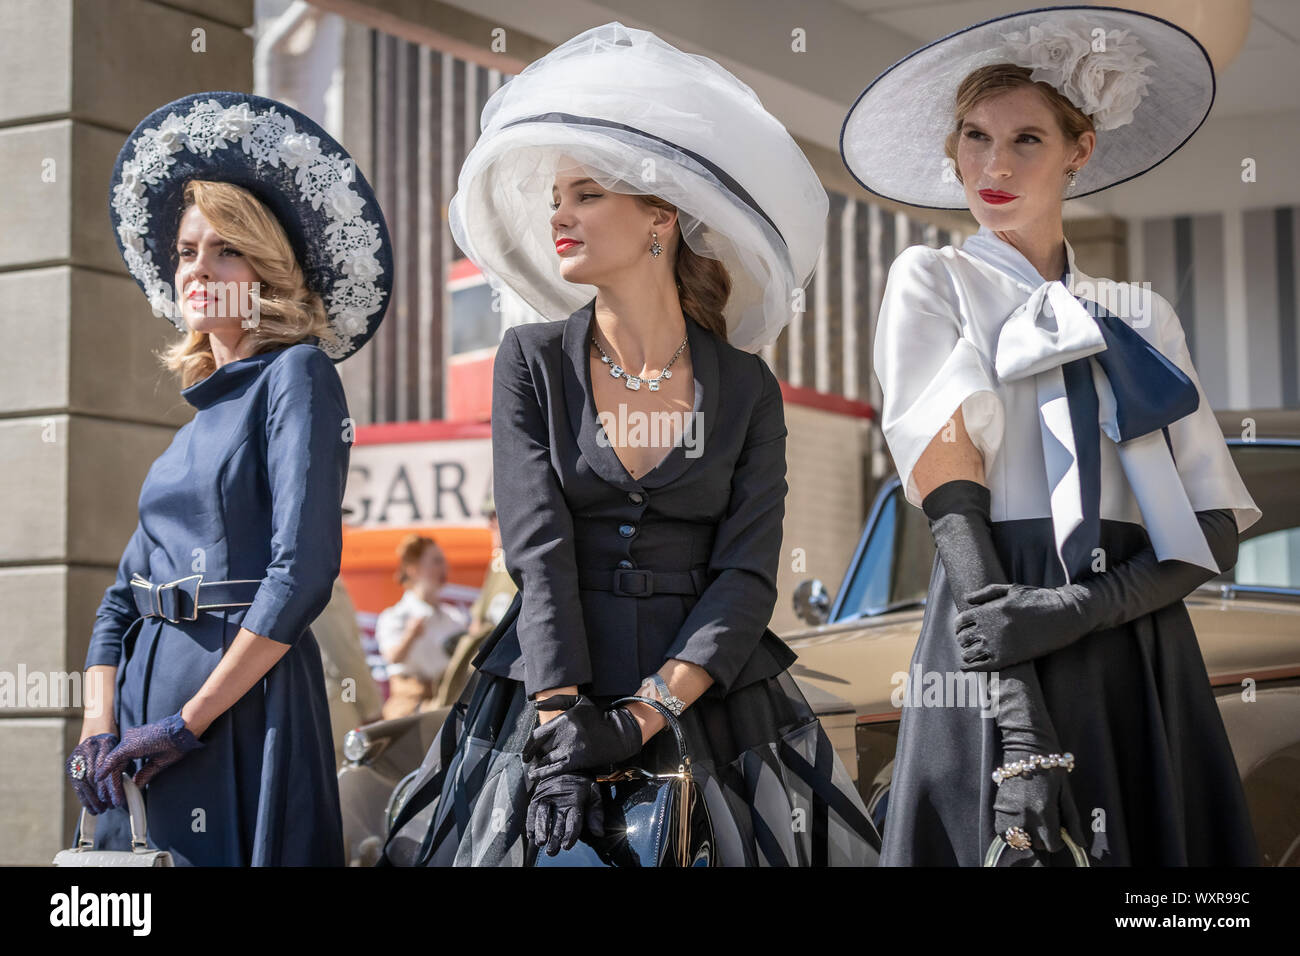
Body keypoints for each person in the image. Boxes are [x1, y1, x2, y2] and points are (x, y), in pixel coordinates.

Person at [378, 21, 877, 866]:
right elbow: (539, 552)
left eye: (587, 195)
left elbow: (748, 576)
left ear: (660, 218)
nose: (559, 216)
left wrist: (643, 717)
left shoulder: (748, 386)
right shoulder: (529, 362)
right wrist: (567, 727)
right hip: (549, 692)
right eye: (556, 197)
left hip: (711, 698)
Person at [840, 6, 1262, 865]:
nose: (992, 166)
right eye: (974, 137)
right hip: (990, 619)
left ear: (1081, 150)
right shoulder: (932, 279)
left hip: (1132, 639)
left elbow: (1211, 527)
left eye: (1026, 139)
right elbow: (948, 494)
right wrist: (1019, 714)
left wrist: (1080, 608)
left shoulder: (1141, 314)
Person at [66, 91, 393, 865]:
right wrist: (94, 726)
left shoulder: (298, 376)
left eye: (227, 250)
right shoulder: (194, 422)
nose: (200, 270)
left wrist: (190, 721)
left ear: (269, 269)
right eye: (186, 252)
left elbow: (302, 571)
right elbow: (119, 600)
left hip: (239, 710)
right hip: (139, 727)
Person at [431, 483, 518, 708]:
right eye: (489, 516)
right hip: (491, 671)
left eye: (496, 514)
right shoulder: (499, 561)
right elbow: (478, 622)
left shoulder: (523, 561)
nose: (490, 523)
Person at [374, 535, 469, 719]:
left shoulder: (453, 617)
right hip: (409, 708)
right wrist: (410, 636)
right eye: (436, 561)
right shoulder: (394, 617)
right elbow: (392, 657)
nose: (444, 567)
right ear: (413, 570)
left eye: (443, 561)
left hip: (449, 704)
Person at [312, 577, 385, 768]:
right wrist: (370, 707)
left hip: (323, 703)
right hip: (338, 706)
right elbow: (344, 656)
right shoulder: (321, 578)